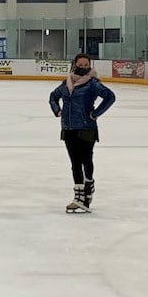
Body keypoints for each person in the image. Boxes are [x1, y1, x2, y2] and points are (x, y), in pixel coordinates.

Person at [48, 53, 116, 213]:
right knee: (75, 163)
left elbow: (110, 97)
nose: (84, 67)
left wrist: (96, 113)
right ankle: (79, 197)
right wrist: (57, 111)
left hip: (86, 128)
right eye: (81, 64)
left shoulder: (92, 84)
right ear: (75, 64)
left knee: (86, 160)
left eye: (87, 65)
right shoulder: (66, 84)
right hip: (68, 128)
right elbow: (53, 97)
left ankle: (88, 186)